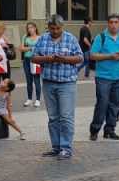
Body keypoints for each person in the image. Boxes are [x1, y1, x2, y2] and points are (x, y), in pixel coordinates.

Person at [31, 14, 83, 160]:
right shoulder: (43, 39)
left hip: (67, 83)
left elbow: (80, 57)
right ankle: (56, 147)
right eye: (52, 28)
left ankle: (66, 148)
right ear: (48, 27)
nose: (55, 31)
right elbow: (33, 57)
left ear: (62, 27)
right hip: (49, 82)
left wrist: (64, 59)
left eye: (57, 28)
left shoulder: (71, 39)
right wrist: (47, 58)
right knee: (53, 117)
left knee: (66, 117)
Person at [89, 14, 119, 141]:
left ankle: (110, 130)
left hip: (118, 77)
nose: (113, 25)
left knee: (115, 104)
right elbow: (92, 55)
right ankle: (95, 130)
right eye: (111, 22)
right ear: (108, 24)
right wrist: (110, 56)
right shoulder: (101, 37)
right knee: (102, 103)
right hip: (103, 77)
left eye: (116, 22)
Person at [20, 22, 42, 107]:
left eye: (31, 27)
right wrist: (31, 48)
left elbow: (41, 49)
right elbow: (21, 48)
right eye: (28, 28)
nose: (30, 29)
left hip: (36, 60)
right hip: (27, 60)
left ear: (35, 28)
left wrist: (28, 48)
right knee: (29, 80)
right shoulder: (25, 37)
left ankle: (38, 99)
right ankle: (29, 99)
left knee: (36, 80)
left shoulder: (40, 38)